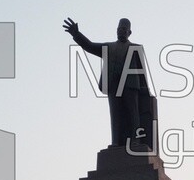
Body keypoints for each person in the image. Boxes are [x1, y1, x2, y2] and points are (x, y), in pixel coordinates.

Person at [63, 17, 155, 149]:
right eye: (118, 29)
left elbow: (141, 71)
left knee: (133, 113)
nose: (120, 31)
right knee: (115, 114)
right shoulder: (109, 47)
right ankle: (116, 142)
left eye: (124, 29)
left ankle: (136, 140)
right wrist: (76, 34)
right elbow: (89, 45)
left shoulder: (136, 48)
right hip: (113, 85)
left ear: (129, 32)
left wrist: (145, 89)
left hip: (130, 86)